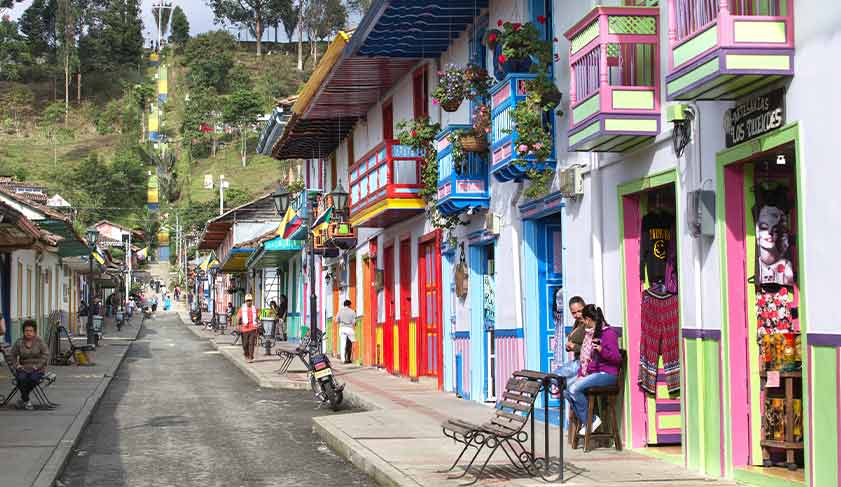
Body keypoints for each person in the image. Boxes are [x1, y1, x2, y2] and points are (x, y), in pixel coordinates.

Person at [563, 305, 622, 435]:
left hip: (607, 374)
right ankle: (587, 421)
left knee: (574, 389)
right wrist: (581, 374)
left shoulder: (609, 333)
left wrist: (602, 351)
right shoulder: (591, 334)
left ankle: (591, 420)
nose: (583, 324)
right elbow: (587, 359)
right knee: (567, 391)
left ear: (589, 319)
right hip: (595, 373)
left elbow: (617, 359)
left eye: (584, 321)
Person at [8, 320, 49, 410]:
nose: (28, 333)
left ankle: (23, 399)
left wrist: (37, 366)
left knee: (33, 379)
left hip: (37, 368)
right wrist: (17, 365)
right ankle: (27, 400)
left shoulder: (39, 341)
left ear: (34, 332)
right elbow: (12, 355)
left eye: (31, 331)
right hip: (23, 368)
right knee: (21, 379)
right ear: (23, 332)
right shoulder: (19, 342)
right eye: (26, 331)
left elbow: (45, 355)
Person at [553, 296, 586, 387]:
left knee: (569, 388)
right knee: (553, 377)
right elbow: (573, 341)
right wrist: (569, 347)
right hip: (577, 361)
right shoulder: (577, 323)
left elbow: (590, 348)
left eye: (580, 311)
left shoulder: (588, 324)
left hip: (584, 363)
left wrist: (574, 347)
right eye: (574, 313)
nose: (577, 315)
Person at [238, 294, 259, 362]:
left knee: (251, 343)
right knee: (245, 344)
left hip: (253, 328)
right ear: (245, 301)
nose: (249, 302)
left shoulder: (255, 309)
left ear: (252, 301)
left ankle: (251, 357)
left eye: (250, 300)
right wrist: (238, 325)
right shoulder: (242, 309)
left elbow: (258, 317)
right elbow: (239, 317)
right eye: (247, 301)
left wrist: (258, 323)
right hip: (244, 329)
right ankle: (246, 354)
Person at [337, 299, 357, 364]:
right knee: (353, 342)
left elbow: (337, 321)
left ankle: (343, 359)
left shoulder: (340, 311)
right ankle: (353, 358)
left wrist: (341, 321)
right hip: (349, 328)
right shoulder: (352, 312)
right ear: (349, 305)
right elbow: (354, 322)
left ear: (344, 305)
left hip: (342, 328)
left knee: (343, 344)